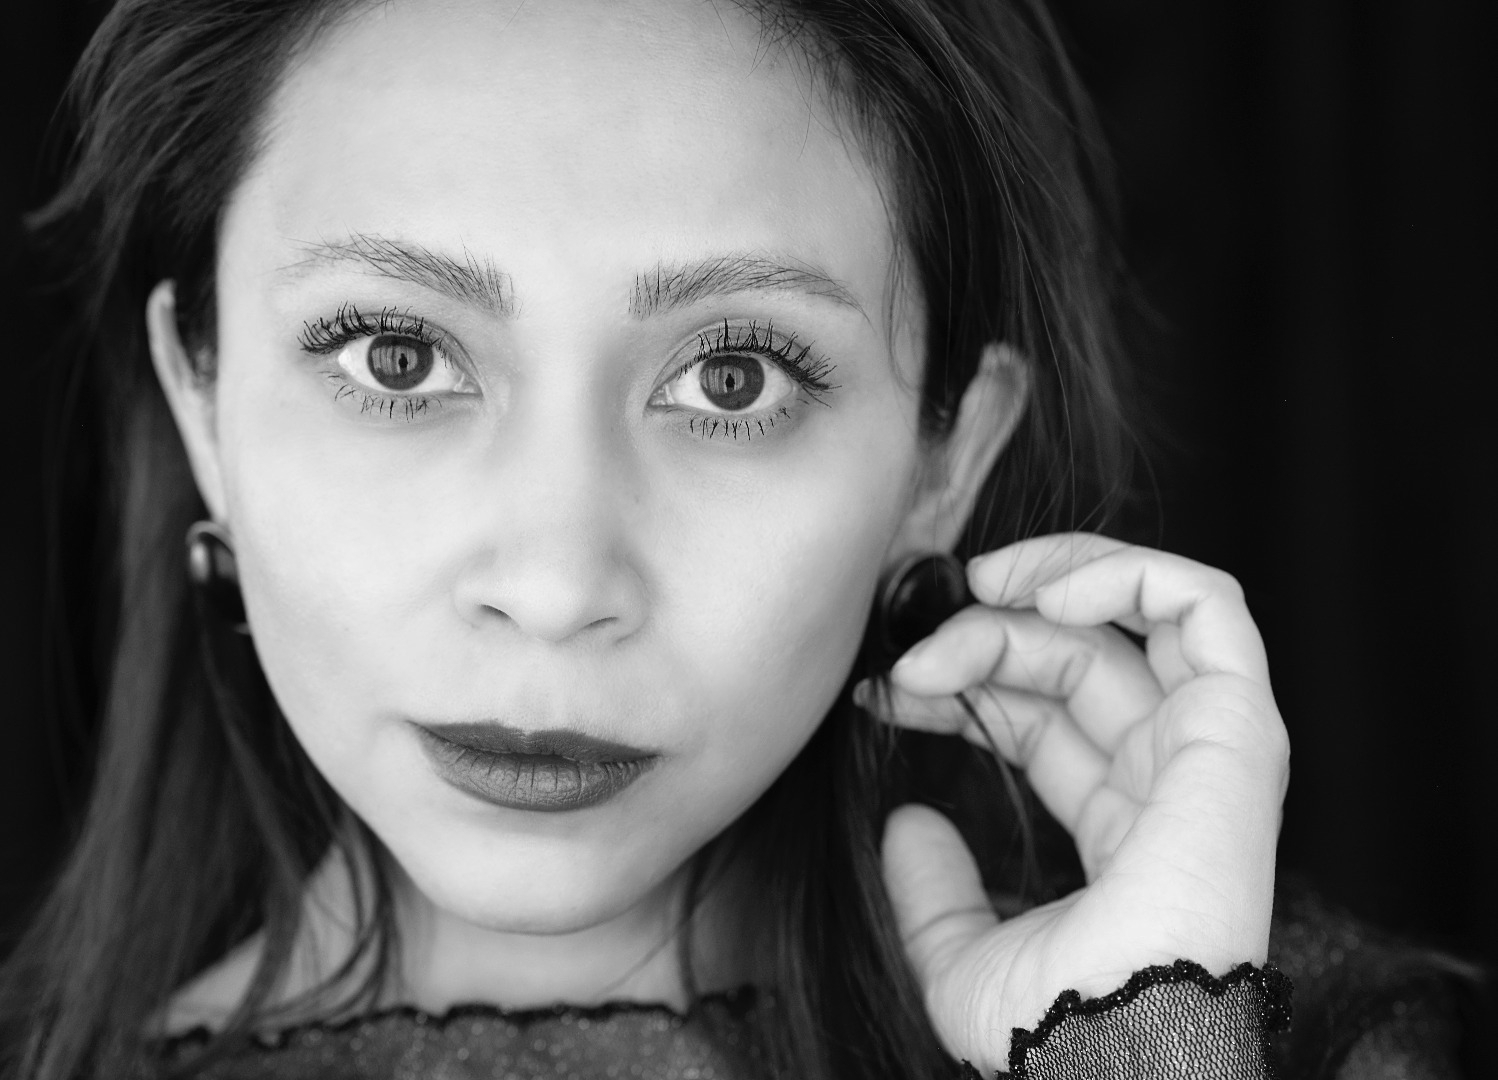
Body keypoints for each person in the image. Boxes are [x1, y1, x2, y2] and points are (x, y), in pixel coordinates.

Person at [0, 0, 1476, 1077]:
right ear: (201, 401)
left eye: (732, 379)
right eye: (396, 357)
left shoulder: (1253, 1035)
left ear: (943, 458)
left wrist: (1141, 1048)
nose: (556, 586)